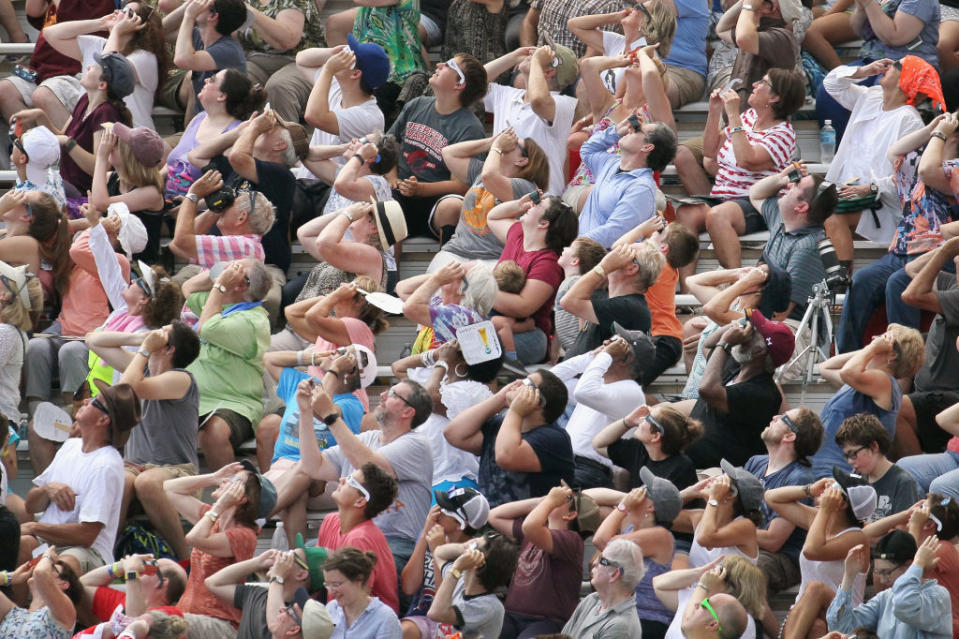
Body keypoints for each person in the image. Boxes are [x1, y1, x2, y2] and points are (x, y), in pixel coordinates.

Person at [271, 378, 433, 595]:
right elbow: (313, 465)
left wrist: (330, 415)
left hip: (395, 544)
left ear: (408, 412)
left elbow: (370, 468)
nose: (383, 395)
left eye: (394, 394)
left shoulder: (417, 444)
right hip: (351, 537)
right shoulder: (367, 439)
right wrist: (306, 413)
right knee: (295, 564)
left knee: (320, 568)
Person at [85, 322, 201, 561]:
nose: (156, 333)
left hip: (176, 469)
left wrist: (146, 350)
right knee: (120, 480)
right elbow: (93, 340)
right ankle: (104, 556)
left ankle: (185, 559)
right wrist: (139, 340)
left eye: (163, 332)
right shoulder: (142, 369)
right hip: (135, 465)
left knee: (147, 483)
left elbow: (128, 388)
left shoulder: (182, 379)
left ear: (170, 349)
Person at [821, 57, 940, 268]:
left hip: (880, 202)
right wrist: (862, 72)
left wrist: (870, 188)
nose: (887, 66)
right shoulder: (871, 97)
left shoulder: (909, 120)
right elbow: (831, 83)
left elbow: (907, 177)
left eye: (896, 65)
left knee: (832, 215)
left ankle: (839, 284)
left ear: (906, 79)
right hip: (846, 191)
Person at [19, 381, 141, 575]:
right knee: (22, 544)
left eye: (94, 401)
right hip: (48, 543)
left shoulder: (106, 465)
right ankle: (20, 605)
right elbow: (31, 506)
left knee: (61, 566)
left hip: (86, 551)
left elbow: (86, 535)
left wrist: (35, 527)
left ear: (103, 420)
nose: (85, 400)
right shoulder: (71, 446)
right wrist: (47, 489)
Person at [164, 460, 277, 636]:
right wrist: (213, 477)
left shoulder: (244, 535)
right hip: (189, 617)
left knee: (158, 621)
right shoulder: (212, 520)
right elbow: (170, 488)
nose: (226, 480)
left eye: (233, 480)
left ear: (242, 498)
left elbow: (193, 538)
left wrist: (220, 505)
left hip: (220, 623)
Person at [180, 259, 272, 470]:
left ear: (242, 286)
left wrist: (221, 284)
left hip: (233, 403)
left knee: (214, 432)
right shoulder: (223, 302)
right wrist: (218, 274)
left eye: (238, 267)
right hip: (195, 399)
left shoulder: (253, 321)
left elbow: (206, 328)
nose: (231, 267)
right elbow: (188, 288)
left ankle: (230, 491)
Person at [387, 54, 488, 239]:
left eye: (449, 65)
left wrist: (421, 189)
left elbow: (461, 186)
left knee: (452, 207)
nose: (440, 64)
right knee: (383, 198)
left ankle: (446, 262)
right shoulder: (416, 105)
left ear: (459, 85)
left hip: (436, 202)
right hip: (399, 193)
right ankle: (388, 268)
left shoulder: (470, 128)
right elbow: (388, 147)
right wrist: (392, 178)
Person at [767, 470, 876, 639]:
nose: (828, 486)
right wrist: (809, 489)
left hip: (844, 616)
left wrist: (824, 510)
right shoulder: (818, 519)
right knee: (816, 627)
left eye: (835, 486)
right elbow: (771, 497)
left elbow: (812, 551)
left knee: (816, 588)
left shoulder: (857, 538)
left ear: (842, 503)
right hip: (806, 614)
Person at [12, 51, 135, 197]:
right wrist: (40, 115)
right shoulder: (85, 100)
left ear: (102, 85)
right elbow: (62, 135)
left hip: (84, 194)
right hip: (66, 185)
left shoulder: (106, 113)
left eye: (95, 68)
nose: (89, 67)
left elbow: (100, 166)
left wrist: (68, 143)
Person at [445, 372, 574, 508]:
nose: (517, 382)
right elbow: (454, 434)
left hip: (528, 524)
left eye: (526, 383)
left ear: (538, 401)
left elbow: (505, 457)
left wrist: (516, 411)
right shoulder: (501, 425)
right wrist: (500, 398)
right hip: (489, 521)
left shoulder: (554, 438)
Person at [681, 310, 792, 468]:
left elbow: (707, 390)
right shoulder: (738, 365)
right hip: (692, 463)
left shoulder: (763, 393)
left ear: (759, 351)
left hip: (718, 476)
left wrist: (725, 344)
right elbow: (708, 344)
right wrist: (735, 324)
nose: (743, 332)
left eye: (750, 332)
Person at [812, 324, 925, 478]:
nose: (874, 339)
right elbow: (825, 367)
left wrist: (872, 349)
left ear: (891, 355)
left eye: (882, 337)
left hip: (839, 471)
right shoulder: (864, 382)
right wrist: (872, 350)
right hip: (822, 465)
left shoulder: (884, 382)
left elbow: (847, 372)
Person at [487, 485, 601, 638]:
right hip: (512, 615)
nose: (554, 498)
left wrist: (549, 503)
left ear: (571, 514)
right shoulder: (536, 532)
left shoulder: (572, 540)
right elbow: (494, 516)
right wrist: (541, 501)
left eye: (565, 499)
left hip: (547, 621)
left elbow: (529, 526)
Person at [549, 329, 653, 488]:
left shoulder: (632, 392)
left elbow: (583, 392)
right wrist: (590, 357)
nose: (606, 343)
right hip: (567, 462)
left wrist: (605, 356)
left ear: (626, 359)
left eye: (615, 343)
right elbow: (546, 382)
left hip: (589, 471)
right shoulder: (598, 384)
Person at [40, 4, 167, 131]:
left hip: (131, 137)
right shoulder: (98, 44)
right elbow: (51, 34)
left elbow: (108, 70)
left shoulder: (145, 57)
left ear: (136, 23)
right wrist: (100, 23)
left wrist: (116, 31)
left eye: (126, 11)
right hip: (94, 133)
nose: (117, 11)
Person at [484, 194, 578, 364]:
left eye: (537, 204)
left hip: (529, 335)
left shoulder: (548, 262)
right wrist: (519, 205)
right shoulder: (518, 233)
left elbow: (522, 307)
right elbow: (493, 216)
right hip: (495, 320)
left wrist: (477, 288)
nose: (531, 205)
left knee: (474, 344)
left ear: (544, 223)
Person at [589, 473, 683, 639]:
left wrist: (623, 506)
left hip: (645, 621)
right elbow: (590, 497)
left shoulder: (660, 535)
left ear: (650, 506)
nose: (634, 491)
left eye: (643, 491)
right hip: (621, 614)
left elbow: (601, 540)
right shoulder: (630, 530)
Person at [742, 164, 838, 321]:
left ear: (801, 207)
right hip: (760, 313)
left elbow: (780, 314)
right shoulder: (781, 220)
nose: (790, 185)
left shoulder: (808, 246)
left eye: (796, 185)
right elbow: (755, 194)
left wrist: (737, 319)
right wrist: (781, 179)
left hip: (790, 328)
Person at [744, 409, 824, 597]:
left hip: (781, 557)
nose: (774, 417)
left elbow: (773, 541)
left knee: (748, 571)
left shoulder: (799, 477)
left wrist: (728, 533)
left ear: (790, 436)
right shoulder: (755, 462)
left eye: (782, 418)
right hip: (749, 542)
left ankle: (749, 624)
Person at [432, 127, 549, 255]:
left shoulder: (525, 187)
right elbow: (448, 153)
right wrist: (492, 142)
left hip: (489, 258)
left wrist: (497, 147)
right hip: (454, 251)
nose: (507, 143)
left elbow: (488, 176)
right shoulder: (483, 171)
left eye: (514, 144)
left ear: (521, 160)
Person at [481, 45, 579, 196]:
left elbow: (538, 101)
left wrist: (536, 62)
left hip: (541, 200)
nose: (534, 52)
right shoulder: (508, 94)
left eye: (541, 54)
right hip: (499, 191)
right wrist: (511, 57)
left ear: (549, 72)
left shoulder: (564, 103)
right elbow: (472, 82)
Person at [896, 234, 959, 459]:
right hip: (926, 389)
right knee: (899, 351)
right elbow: (913, 269)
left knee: (896, 408)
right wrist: (947, 246)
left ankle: (915, 474)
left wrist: (947, 251)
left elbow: (910, 295)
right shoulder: (952, 283)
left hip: (949, 396)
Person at [162, 70, 265, 205]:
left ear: (221, 96)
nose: (205, 80)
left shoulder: (237, 132)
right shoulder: (199, 118)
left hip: (198, 212)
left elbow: (232, 187)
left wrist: (190, 204)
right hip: (167, 204)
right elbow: (170, 166)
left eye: (212, 79)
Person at [400, 488, 493, 634]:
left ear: (460, 524)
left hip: (445, 624)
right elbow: (408, 587)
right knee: (404, 630)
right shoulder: (431, 537)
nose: (439, 512)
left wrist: (438, 551)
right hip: (419, 617)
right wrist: (425, 533)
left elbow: (443, 603)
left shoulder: (470, 557)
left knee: (405, 631)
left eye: (446, 510)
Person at [578, 114, 678, 249]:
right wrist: (615, 131)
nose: (630, 129)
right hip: (581, 255)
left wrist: (574, 246)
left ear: (647, 147)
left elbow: (612, 233)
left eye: (636, 129)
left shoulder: (641, 189)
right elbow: (587, 150)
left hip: (600, 262)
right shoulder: (611, 163)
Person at [827, 535, 952, 638]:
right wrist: (848, 577)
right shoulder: (885, 598)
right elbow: (843, 628)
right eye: (878, 572)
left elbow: (905, 605)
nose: (882, 579)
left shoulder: (938, 595)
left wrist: (918, 563)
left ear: (908, 566)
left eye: (886, 572)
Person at [203, 546, 332, 639]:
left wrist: (277, 577)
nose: (282, 556)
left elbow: (274, 624)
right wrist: (257, 562)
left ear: (301, 574)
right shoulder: (257, 594)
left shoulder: (296, 616)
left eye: (291, 556)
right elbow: (213, 583)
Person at [561, 241, 665, 355]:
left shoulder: (629, 307)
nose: (614, 254)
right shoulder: (611, 301)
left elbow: (568, 302)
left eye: (624, 253)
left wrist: (603, 267)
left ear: (631, 268)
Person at [89, 123, 166, 262]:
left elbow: (101, 203)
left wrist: (101, 157)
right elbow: (94, 218)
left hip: (137, 268)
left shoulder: (151, 193)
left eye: (116, 145)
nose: (110, 146)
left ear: (130, 158)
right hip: (109, 259)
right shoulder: (109, 179)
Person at [170, 169, 274, 267]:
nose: (225, 208)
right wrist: (215, 210)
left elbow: (182, 241)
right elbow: (177, 246)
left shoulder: (243, 245)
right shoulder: (246, 245)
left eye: (230, 205)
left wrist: (193, 195)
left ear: (241, 218)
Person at [163, 0, 247, 117]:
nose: (199, 3)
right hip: (203, 123)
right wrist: (186, 7)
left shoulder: (228, 50)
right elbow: (161, 31)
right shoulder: (198, 36)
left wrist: (189, 16)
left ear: (213, 16)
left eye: (204, 2)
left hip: (222, 128)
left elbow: (182, 59)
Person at [427, 532, 520, 637]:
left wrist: (456, 568)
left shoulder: (489, 606)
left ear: (478, 561)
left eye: (474, 545)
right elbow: (439, 553)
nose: (470, 542)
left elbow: (436, 613)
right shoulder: (459, 580)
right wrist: (464, 547)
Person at [593, 403, 701, 491]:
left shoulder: (680, 467)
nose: (641, 419)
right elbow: (598, 444)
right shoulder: (639, 449)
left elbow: (662, 510)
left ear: (656, 436)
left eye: (648, 418)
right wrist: (627, 421)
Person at [834, 414, 921, 521]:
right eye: (847, 456)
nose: (850, 461)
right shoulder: (857, 475)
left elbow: (902, 531)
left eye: (853, 454)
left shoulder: (903, 482)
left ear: (874, 446)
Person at [561, 538, 645, 638]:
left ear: (614, 574)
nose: (594, 562)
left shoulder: (620, 626)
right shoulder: (591, 600)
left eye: (602, 560)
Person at [78, 553, 188, 625]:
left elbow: (134, 622)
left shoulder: (170, 616)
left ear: (161, 583)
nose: (142, 569)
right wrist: (120, 566)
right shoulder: (124, 602)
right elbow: (81, 586)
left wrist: (132, 572)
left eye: (152, 567)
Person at [0, 549, 82, 638]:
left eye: (51, 567)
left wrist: (48, 556)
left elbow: (41, 574)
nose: (37, 567)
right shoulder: (13, 612)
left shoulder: (64, 612)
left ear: (63, 583)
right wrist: (10, 577)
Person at [324, 547, 402, 638]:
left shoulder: (385, 618)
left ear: (358, 580)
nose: (330, 592)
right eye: (328, 585)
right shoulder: (331, 608)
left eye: (336, 585)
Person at [9, 124, 66, 210]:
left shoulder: (25, 199)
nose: (14, 141)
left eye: (18, 142)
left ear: (22, 158)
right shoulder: (53, 176)